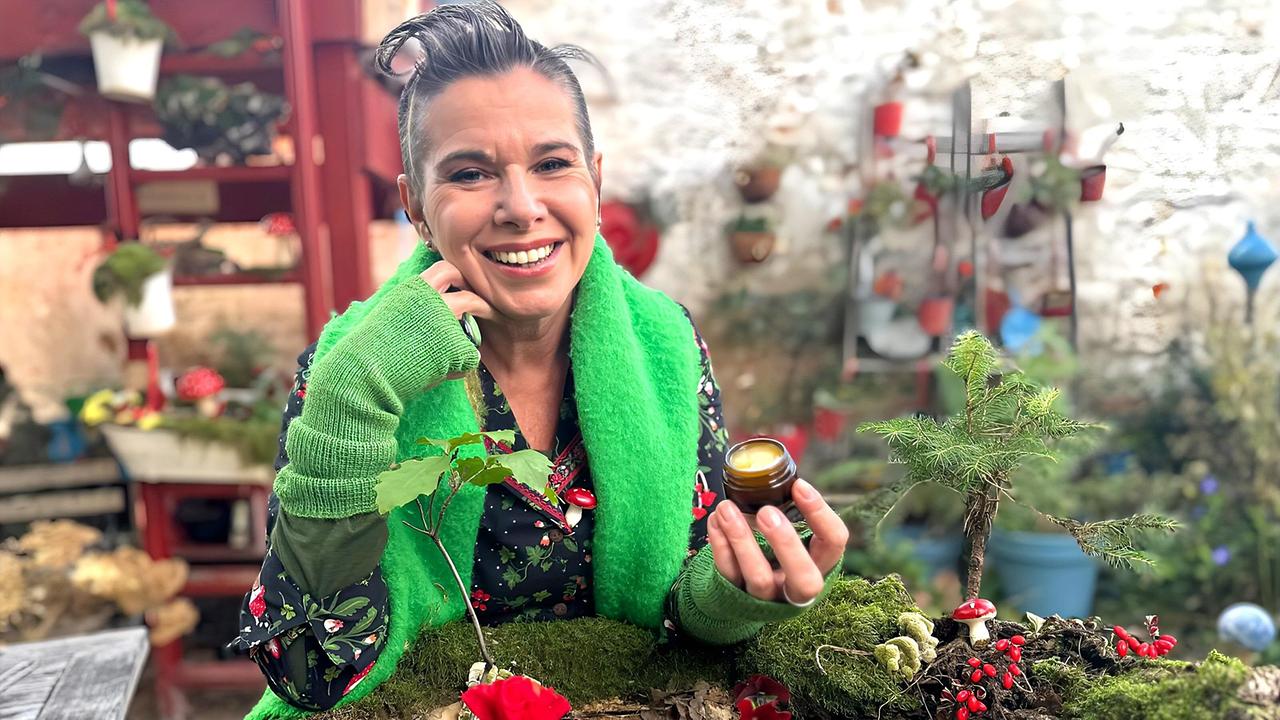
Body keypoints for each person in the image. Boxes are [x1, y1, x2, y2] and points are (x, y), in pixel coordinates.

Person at [232, 3, 849, 715]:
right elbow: (309, 669)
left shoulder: (668, 345)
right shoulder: (348, 370)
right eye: (470, 174)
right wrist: (352, 398)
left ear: (595, 180)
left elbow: (683, 600)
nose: (522, 208)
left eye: (552, 164)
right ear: (416, 207)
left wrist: (734, 592)